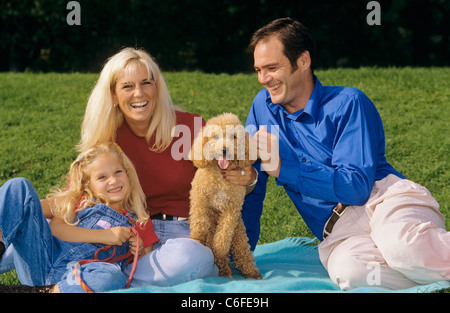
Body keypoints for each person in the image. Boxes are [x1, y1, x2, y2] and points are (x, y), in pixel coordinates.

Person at [241, 17, 449, 290]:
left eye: (271, 68)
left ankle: (417, 257)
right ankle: (430, 269)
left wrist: (286, 168)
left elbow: (357, 188)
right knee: (352, 274)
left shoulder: (348, 103)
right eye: (258, 70)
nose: (263, 79)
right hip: (338, 230)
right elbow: (252, 182)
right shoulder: (262, 107)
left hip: (382, 200)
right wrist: (241, 251)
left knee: (402, 248)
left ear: (303, 61)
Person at [1, 47, 218, 288]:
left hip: (175, 235)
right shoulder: (107, 142)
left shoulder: (190, 127)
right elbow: (73, 200)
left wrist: (246, 178)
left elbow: (227, 180)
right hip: (105, 234)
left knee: (195, 257)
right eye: (127, 86)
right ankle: (86, 278)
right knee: (22, 203)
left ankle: (92, 279)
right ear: (113, 95)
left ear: (157, 87)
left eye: (146, 83)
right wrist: (23, 208)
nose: (139, 93)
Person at [0, 143, 154, 292]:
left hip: (75, 281)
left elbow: (145, 269)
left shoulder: (140, 221)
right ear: (89, 185)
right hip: (42, 260)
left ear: (128, 173)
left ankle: (45, 291)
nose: (113, 180)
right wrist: (105, 235)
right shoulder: (83, 202)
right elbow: (56, 229)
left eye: (118, 172)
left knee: (112, 276)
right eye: (102, 177)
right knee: (18, 186)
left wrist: (139, 251)